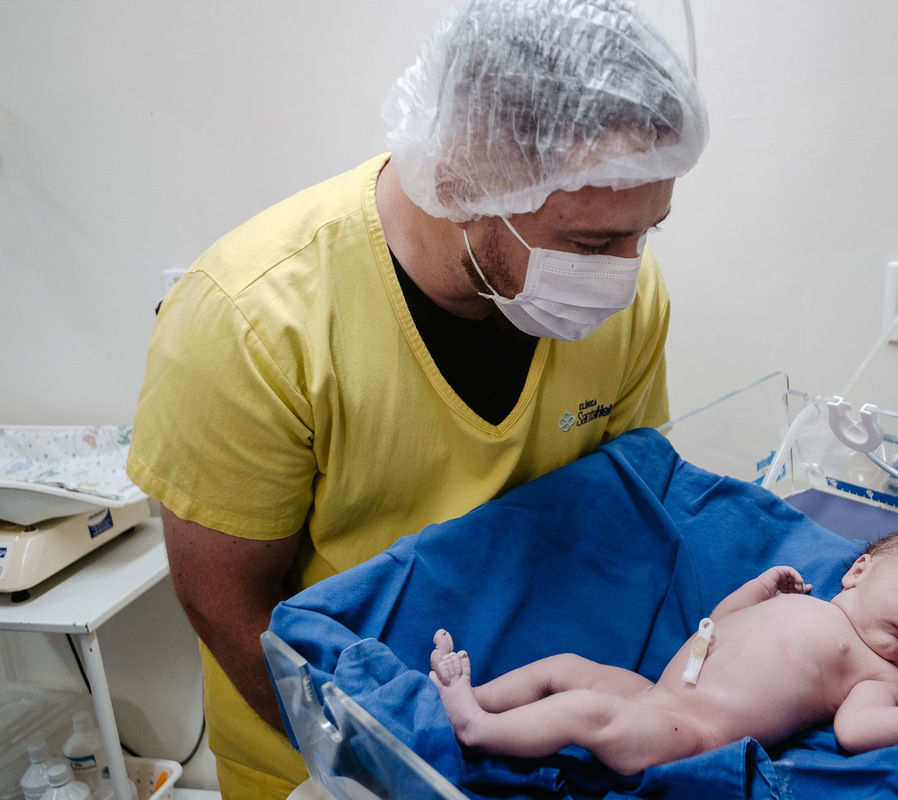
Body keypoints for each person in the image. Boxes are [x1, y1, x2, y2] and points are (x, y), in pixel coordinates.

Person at [125, 1, 708, 797]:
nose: (626, 270)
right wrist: (389, 770)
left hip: (548, 735)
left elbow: (633, 513)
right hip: (322, 752)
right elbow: (228, 606)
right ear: (468, 177)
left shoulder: (628, 305)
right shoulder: (254, 321)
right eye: (593, 244)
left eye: (652, 231)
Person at [430, 532, 898, 775]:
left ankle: (476, 726)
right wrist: (760, 589)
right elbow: (716, 627)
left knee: (586, 713)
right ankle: (475, 694)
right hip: (658, 694)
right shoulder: (807, 607)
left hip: (689, 735)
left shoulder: (877, 674)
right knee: (568, 669)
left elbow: (857, 733)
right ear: (859, 572)